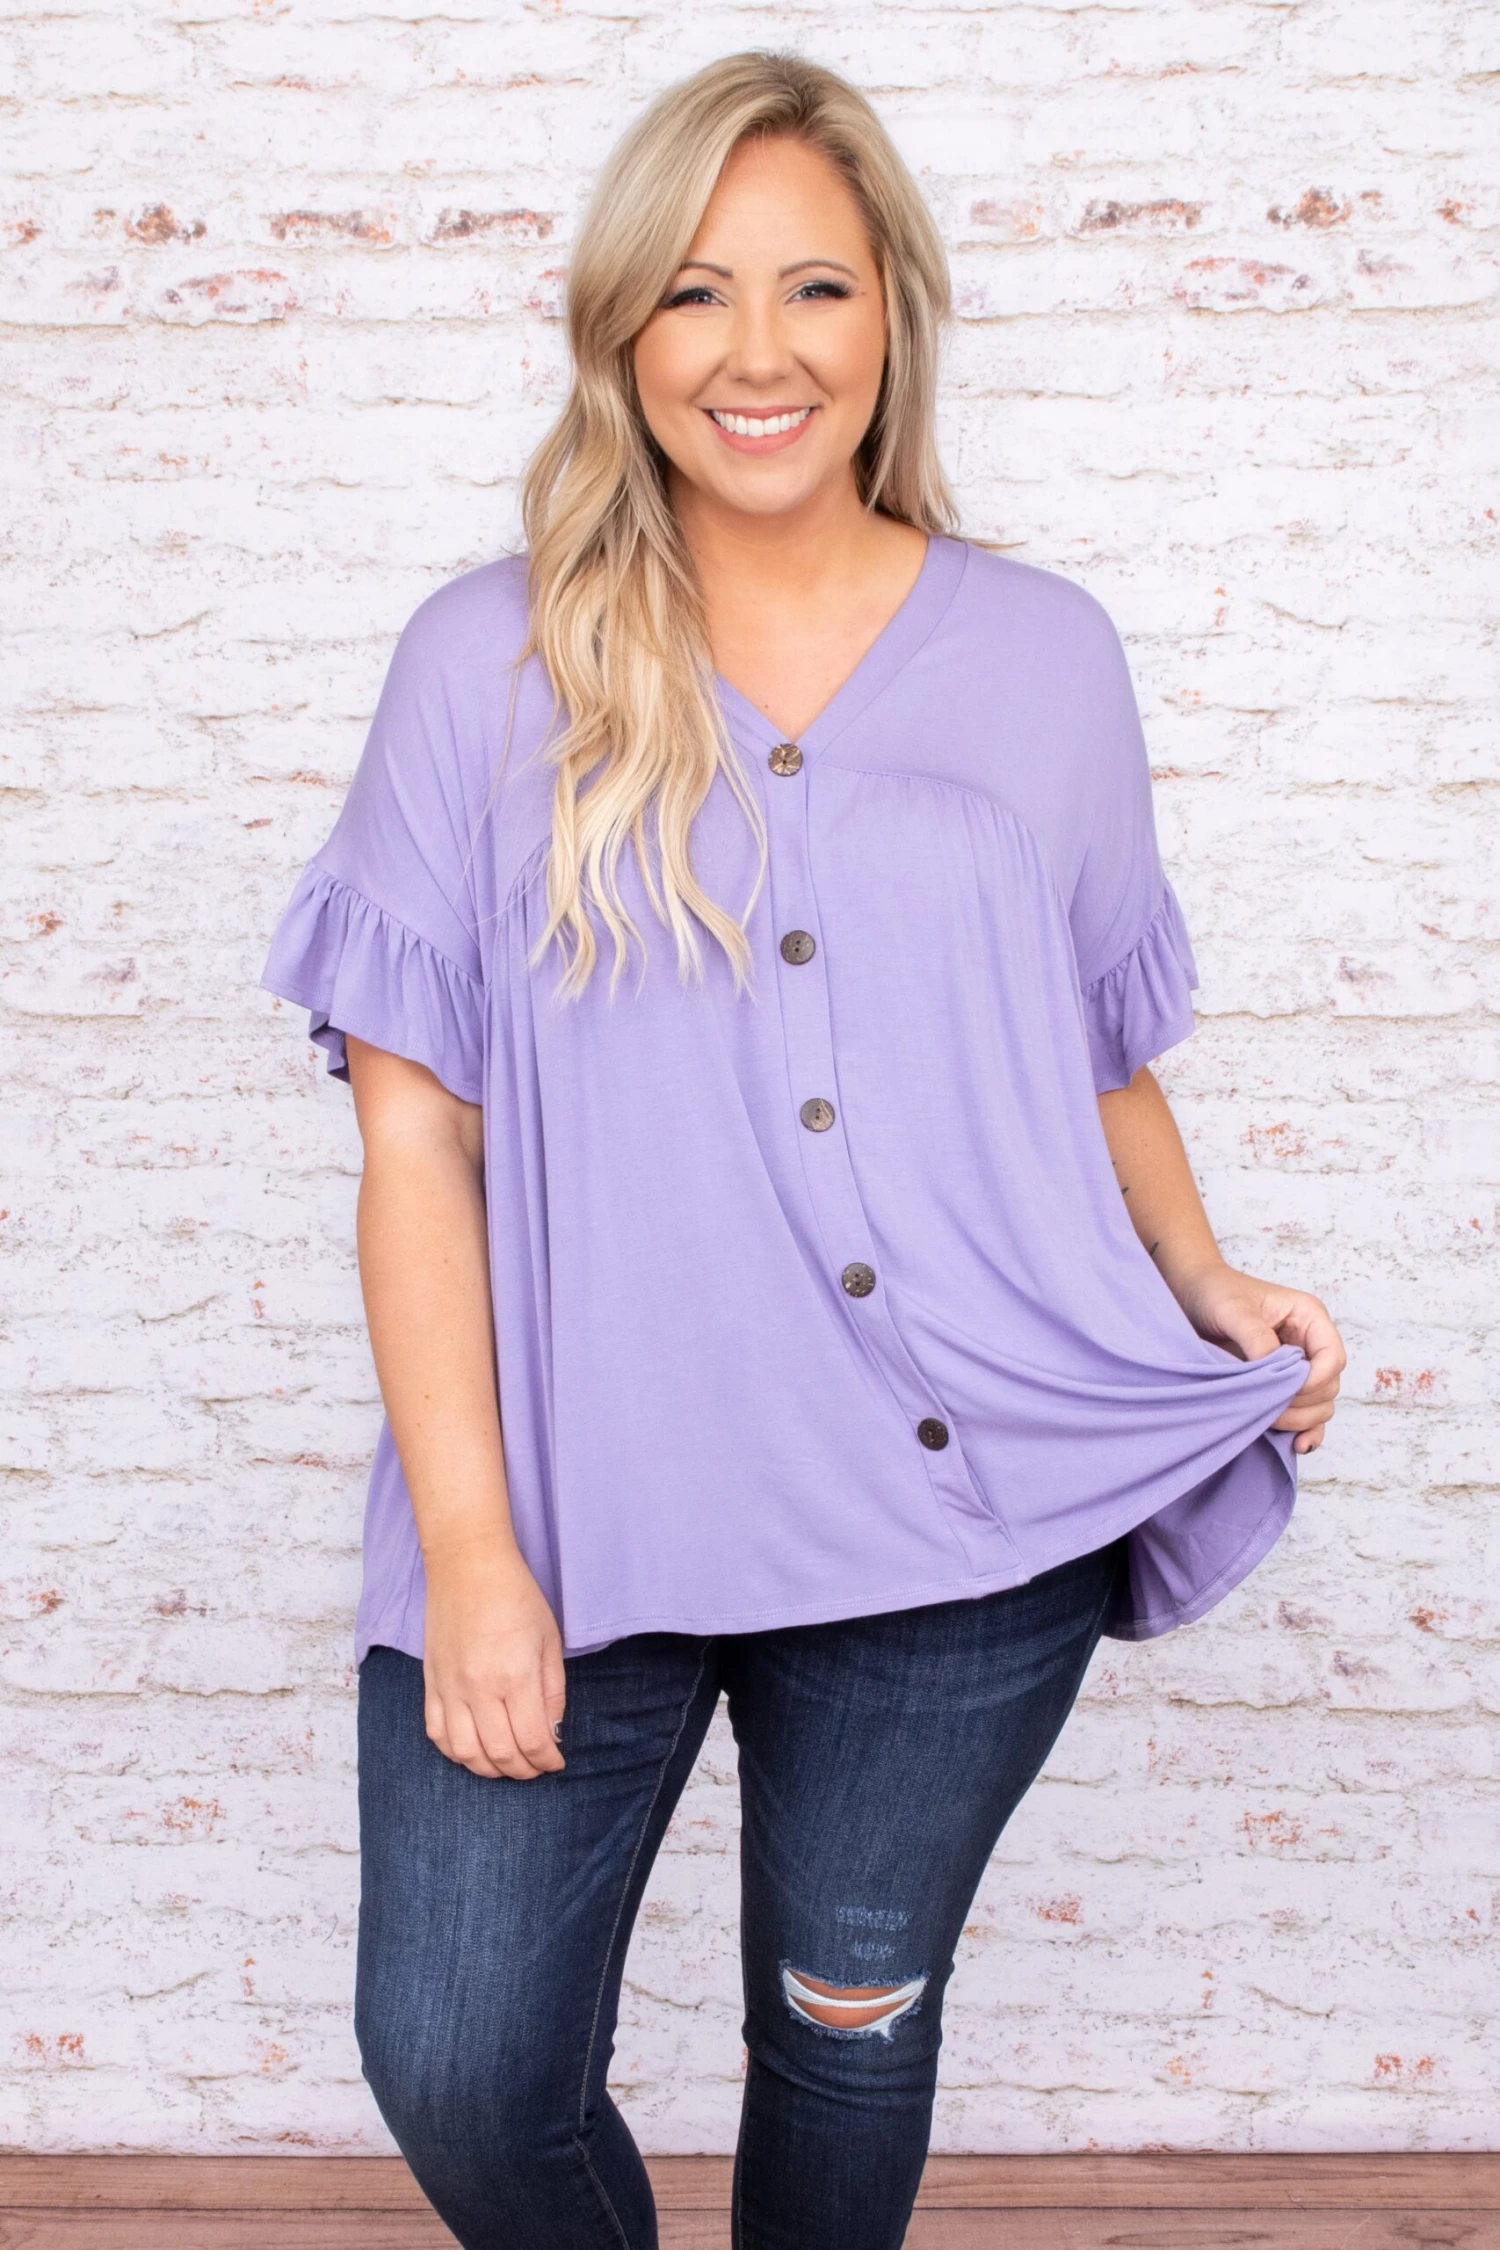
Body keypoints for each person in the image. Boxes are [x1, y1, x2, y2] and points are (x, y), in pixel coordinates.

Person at [261, 49, 1346, 2250]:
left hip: (959, 1511)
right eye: (695, 291)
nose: (756, 353)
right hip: (577, 1503)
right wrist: (472, 1549)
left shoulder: (1045, 656)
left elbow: (1088, 1051)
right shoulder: (483, 665)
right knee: (461, 2058)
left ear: (891, 318)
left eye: (814, 288)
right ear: (621, 332)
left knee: (846, 2030)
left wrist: (1200, 1273)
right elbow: (414, 1146)